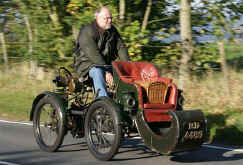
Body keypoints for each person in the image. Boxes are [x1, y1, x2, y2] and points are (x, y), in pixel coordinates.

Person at [74, 7, 129, 97]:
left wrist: (128, 66)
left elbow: (121, 47)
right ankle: (103, 102)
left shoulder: (112, 31)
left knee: (121, 71)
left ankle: (123, 100)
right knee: (98, 71)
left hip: (105, 64)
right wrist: (106, 71)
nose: (110, 20)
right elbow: (93, 54)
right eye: (106, 18)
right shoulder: (87, 31)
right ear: (97, 18)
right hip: (86, 66)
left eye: (111, 18)